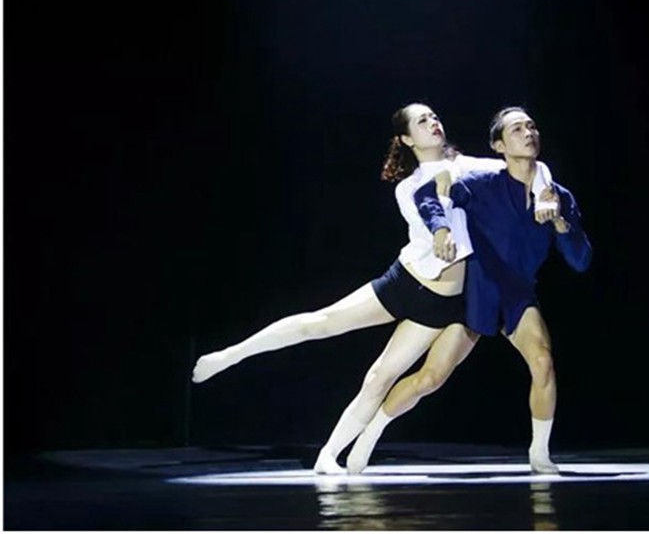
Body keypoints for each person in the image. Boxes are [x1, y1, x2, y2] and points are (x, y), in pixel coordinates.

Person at [192, 103, 553, 474]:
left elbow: (530, 167)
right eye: (422, 121)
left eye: (434, 117)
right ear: (406, 139)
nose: (433, 122)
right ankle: (232, 355)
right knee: (321, 323)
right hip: (408, 282)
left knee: (380, 378)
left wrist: (544, 194)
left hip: (444, 303)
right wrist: (441, 230)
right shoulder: (408, 187)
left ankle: (328, 455)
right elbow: (431, 213)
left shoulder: (467, 166)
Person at [345, 107, 591, 475]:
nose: (528, 133)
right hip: (475, 292)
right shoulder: (481, 183)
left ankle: (539, 454)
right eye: (517, 129)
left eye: (531, 126)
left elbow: (581, 260)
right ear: (498, 146)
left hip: (518, 296)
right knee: (430, 378)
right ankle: (371, 433)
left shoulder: (555, 195)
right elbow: (428, 195)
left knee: (542, 361)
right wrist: (441, 229)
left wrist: (559, 222)